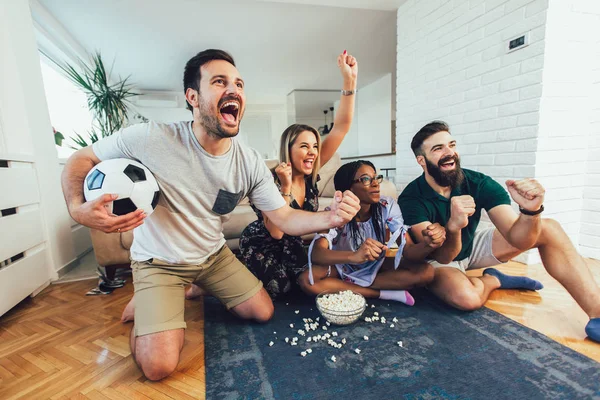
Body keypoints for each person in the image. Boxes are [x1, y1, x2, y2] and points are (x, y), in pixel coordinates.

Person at [61, 49, 361, 381]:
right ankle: (151, 310)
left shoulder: (247, 162)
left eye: (239, 84)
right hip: (158, 262)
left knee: (263, 312)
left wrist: (331, 218)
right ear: (193, 97)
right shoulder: (151, 137)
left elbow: (284, 216)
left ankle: (176, 296)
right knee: (159, 366)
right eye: (219, 82)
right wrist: (77, 207)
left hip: (213, 257)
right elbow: (80, 159)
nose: (234, 90)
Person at [398, 120, 600, 342]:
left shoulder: (478, 182)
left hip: (471, 245)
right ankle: (493, 280)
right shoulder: (411, 198)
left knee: (549, 228)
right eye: (438, 149)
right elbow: (444, 256)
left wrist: (530, 212)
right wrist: (453, 226)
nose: (450, 153)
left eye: (452, 145)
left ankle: (597, 313)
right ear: (422, 160)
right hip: (438, 259)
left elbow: (518, 239)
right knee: (468, 299)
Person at [239, 50, 358, 299]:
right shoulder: (269, 178)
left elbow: (342, 127)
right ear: (288, 150)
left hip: (292, 246)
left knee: (309, 283)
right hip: (263, 244)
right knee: (282, 291)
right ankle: (236, 273)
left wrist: (350, 81)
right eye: (304, 146)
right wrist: (284, 187)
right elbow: (277, 232)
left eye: (315, 146)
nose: (312, 152)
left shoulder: (309, 175)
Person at [297, 160, 435, 304]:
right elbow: (316, 254)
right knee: (307, 280)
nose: (376, 183)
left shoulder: (387, 206)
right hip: (341, 268)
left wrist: (428, 244)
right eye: (366, 179)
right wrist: (354, 256)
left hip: (376, 265)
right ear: (348, 188)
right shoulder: (335, 213)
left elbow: (408, 250)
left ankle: (343, 286)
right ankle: (379, 294)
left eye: (376, 178)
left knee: (426, 272)